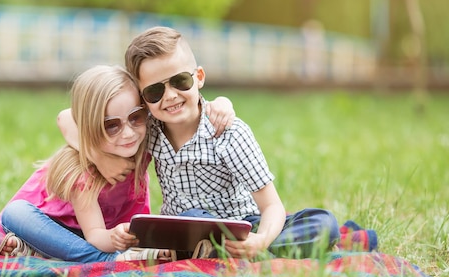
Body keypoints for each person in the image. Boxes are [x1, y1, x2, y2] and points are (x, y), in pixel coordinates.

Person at [59, 26, 340, 260]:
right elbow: (68, 117)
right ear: (143, 99)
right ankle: (212, 251)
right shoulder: (147, 129)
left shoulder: (229, 133)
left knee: (323, 223)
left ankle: (234, 252)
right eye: (155, 91)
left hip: (239, 225)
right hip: (180, 229)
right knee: (189, 219)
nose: (169, 96)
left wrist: (261, 240)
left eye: (180, 81)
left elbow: (272, 207)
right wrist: (99, 156)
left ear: (199, 78)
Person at [0, 64, 233, 262]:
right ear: (89, 126)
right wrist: (97, 158)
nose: (128, 133)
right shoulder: (82, 172)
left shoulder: (143, 140)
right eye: (111, 125)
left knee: (192, 217)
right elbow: (95, 234)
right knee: (15, 213)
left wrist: (220, 103)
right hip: (57, 227)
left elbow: (184, 111)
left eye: (135, 117)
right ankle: (107, 261)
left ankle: (37, 253)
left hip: (113, 232)